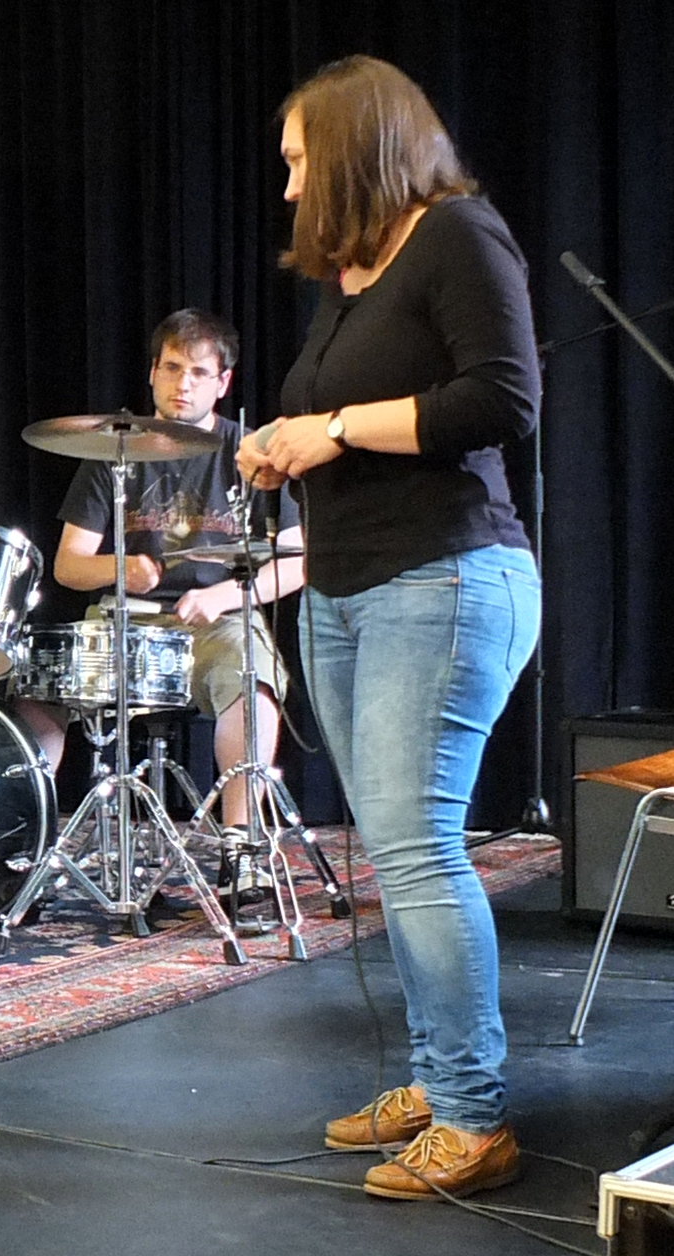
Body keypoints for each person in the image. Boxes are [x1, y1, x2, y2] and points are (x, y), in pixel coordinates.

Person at [236, 56, 541, 1201]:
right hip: (346, 586)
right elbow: (340, 417)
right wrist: (285, 441)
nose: (286, 187)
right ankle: (436, 1073)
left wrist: (333, 429)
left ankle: (471, 1115)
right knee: (394, 848)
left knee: (416, 848)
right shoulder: (351, 278)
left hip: (445, 576)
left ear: (353, 147)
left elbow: (501, 398)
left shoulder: (457, 234)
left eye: (297, 161)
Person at [30, 309, 304, 904]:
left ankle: (242, 847)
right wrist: (121, 569)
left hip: (218, 620)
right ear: (153, 372)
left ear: (223, 383)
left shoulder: (249, 453)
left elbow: (296, 560)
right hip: (124, 621)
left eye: (200, 373)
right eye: (174, 368)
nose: (184, 384)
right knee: (38, 682)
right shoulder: (112, 450)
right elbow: (69, 565)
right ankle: (27, 848)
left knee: (251, 678)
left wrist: (226, 594)